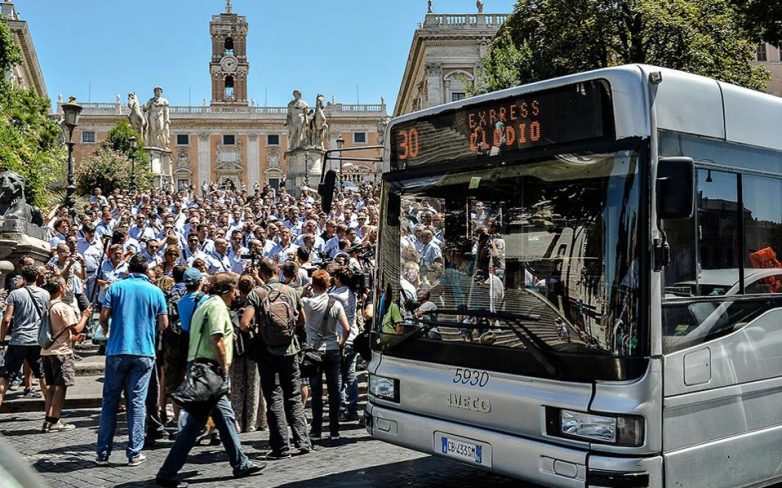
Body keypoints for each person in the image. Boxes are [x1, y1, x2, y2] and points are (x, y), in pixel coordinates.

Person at [156, 273, 265, 487]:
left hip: (200, 367)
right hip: (209, 370)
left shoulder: (205, 305)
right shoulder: (216, 306)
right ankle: (166, 473)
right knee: (193, 426)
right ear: (227, 291)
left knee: (225, 417)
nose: (236, 295)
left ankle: (240, 463)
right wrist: (224, 367)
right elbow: (216, 338)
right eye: (233, 291)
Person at [95, 254, 168, 467]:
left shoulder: (116, 287)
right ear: (147, 271)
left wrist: (108, 329)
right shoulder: (156, 291)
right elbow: (163, 323)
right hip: (144, 351)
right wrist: (148, 327)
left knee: (109, 401)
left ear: (129, 268)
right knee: (137, 403)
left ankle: (102, 452)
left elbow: (103, 315)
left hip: (117, 349)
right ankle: (134, 452)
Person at [240, 258, 311, 459]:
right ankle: (303, 441)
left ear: (260, 273)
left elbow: (244, 324)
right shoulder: (290, 291)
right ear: (277, 271)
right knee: (293, 395)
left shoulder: (256, 294)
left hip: (267, 351)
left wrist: (258, 330)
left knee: (273, 396)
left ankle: (281, 447)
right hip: (290, 349)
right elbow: (302, 320)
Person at [302, 269, 350, 441]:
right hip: (332, 349)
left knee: (316, 392)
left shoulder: (306, 302)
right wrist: (341, 343)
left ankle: (316, 430)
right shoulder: (335, 304)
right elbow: (346, 328)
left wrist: (304, 292)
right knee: (334, 390)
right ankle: (334, 430)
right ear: (328, 283)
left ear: (313, 284)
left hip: (313, 351)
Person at [40, 276, 92, 432]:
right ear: (61, 288)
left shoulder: (47, 305)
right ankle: (54, 420)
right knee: (61, 387)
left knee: (51, 387)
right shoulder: (63, 307)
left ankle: (48, 419)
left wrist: (73, 338)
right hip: (61, 352)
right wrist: (85, 316)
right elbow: (76, 328)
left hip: (47, 351)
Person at [0, 265, 51, 410]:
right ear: (37, 277)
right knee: (42, 377)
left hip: (18, 339)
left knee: (5, 377)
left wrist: (1, 339)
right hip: (37, 340)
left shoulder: (15, 294)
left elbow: (6, 319)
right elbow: (46, 315)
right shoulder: (45, 294)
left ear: (23, 277)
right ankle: (51, 415)